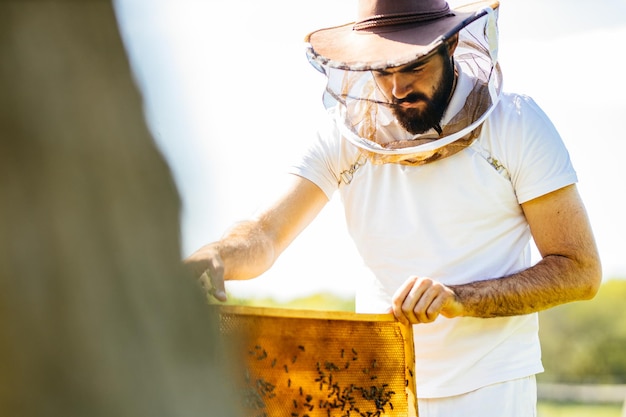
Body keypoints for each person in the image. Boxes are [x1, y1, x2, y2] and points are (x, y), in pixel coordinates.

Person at [185, 0, 602, 415]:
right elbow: (264, 233)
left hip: (490, 387)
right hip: (374, 381)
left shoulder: (517, 123)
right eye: (384, 71)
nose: (398, 90)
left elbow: (579, 269)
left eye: (414, 66)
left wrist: (460, 298)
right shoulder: (343, 136)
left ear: (451, 43)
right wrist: (218, 255)